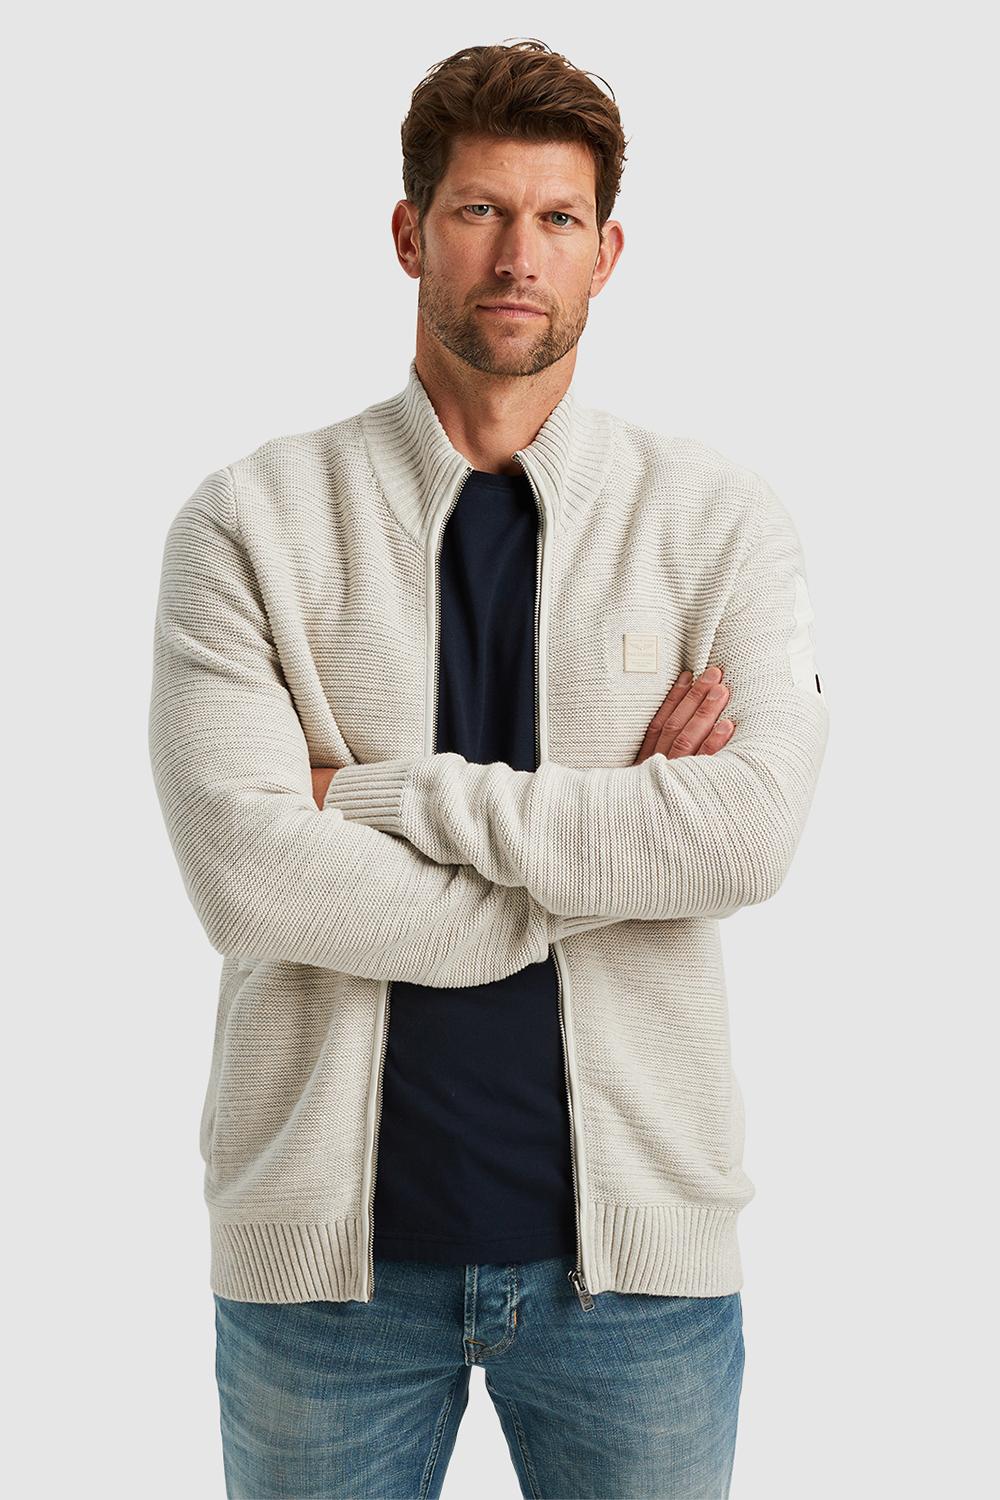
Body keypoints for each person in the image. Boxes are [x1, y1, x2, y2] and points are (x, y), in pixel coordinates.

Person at [148, 37, 829, 1500]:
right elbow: (249, 877)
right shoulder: (251, 524)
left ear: (607, 253)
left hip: (634, 1277)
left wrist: (379, 797)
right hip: (325, 1283)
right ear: (410, 233)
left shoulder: (716, 521)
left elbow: (748, 836)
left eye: (558, 218)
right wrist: (619, 844)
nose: (519, 255)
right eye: (480, 211)